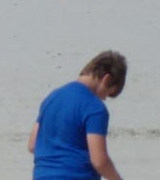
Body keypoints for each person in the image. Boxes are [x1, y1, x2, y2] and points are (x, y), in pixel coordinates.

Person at [28, 50, 128, 180]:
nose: (104, 99)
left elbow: (33, 145)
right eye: (108, 93)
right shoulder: (94, 107)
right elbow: (99, 160)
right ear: (106, 79)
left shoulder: (51, 98)